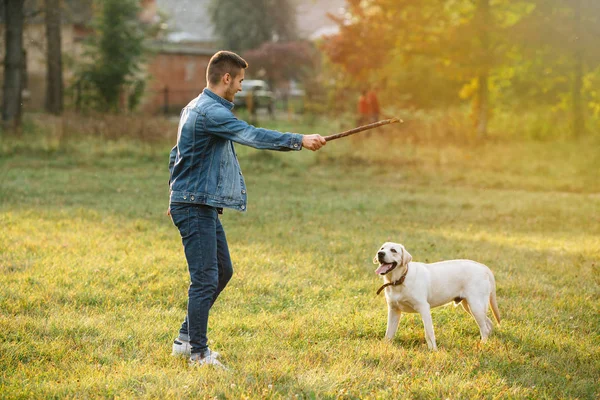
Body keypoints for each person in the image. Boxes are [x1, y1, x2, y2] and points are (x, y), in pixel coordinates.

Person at [167, 50, 326, 368]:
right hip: (195, 203)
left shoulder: (194, 107)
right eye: (239, 80)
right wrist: (299, 139)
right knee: (205, 279)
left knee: (222, 271)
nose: (241, 87)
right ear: (226, 78)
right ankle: (197, 353)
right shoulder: (211, 112)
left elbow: (175, 155)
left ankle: (186, 340)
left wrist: (174, 192)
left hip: (199, 202)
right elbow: (251, 134)